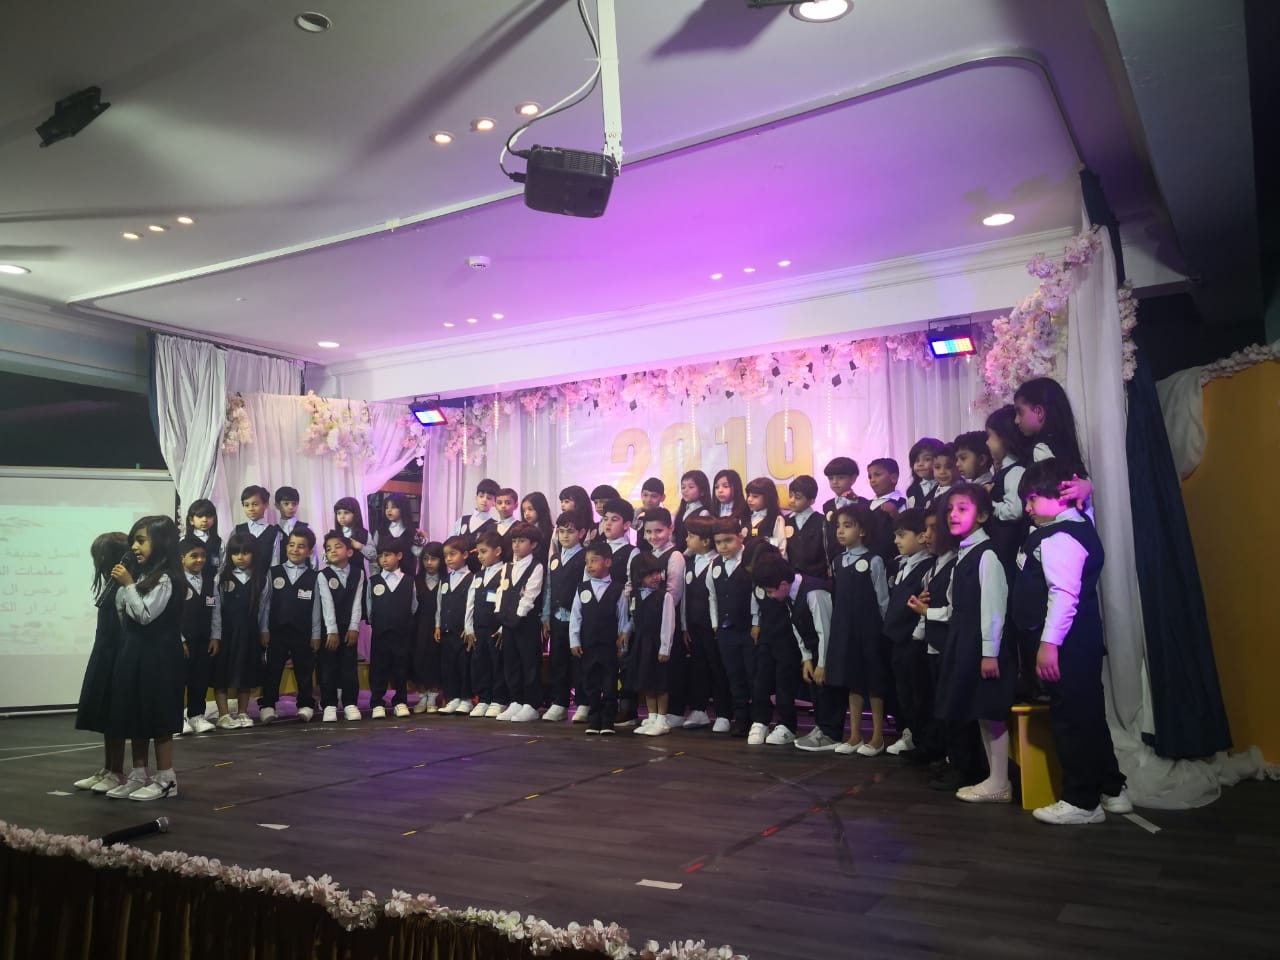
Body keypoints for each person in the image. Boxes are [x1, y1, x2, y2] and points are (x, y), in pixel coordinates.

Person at [1014, 460, 1130, 824]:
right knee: (1089, 715)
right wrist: (1088, 492)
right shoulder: (1080, 523)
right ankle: (1112, 789)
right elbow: (1084, 509)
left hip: (1067, 643)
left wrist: (1048, 645)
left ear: (1060, 496)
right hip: (1083, 640)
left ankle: (1082, 801)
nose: (1027, 508)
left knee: (1071, 720)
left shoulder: (1058, 537)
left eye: (1032, 499)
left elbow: (1063, 595)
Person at [934, 484, 1015, 804]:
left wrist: (989, 653)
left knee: (991, 711)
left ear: (982, 515)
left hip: (983, 646)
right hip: (965, 641)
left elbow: (994, 608)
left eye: (962, 509)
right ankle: (994, 778)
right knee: (980, 711)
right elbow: (956, 605)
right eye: (950, 509)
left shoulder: (987, 555)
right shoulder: (964, 553)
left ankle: (1000, 781)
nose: (953, 515)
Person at [103, 515, 185, 801]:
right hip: (136, 651)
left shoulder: (166, 578)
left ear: (161, 542)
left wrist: (128, 585)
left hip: (160, 656)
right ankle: (139, 774)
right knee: (136, 713)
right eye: (133, 541)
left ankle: (167, 778)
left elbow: (145, 615)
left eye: (141, 541)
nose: (135, 547)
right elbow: (123, 614)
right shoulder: (141, 576)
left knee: (158, 714)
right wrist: (126, 586)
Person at [819, 504, 889, 756]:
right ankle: (855, 734)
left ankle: (878, 736)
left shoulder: (874, 560)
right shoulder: (838, 561)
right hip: (845, 628)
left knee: (874, 682)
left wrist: (884, 630)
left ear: (862, 530)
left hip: (869, 629)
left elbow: (882, 599)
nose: (840, 531)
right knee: (852, 682)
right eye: (838, 526)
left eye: (847, 526)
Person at [750, 550, 831, 747]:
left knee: (826, 691)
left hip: (827, 650)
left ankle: (830, 733)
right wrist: (806, 658)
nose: (769, 596)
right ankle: (822, 727)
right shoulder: (789, 596)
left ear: (784, 585)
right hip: (811, 650)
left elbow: (825, 630)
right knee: (815, 690)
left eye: (770, 591)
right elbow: (796, 626)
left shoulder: (813, 592)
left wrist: (822, 664)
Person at [72, 531, 130, 793]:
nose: (95, 560)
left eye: (99, 555)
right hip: (105, 651)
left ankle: (117, 771)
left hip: (119, 654)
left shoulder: (125, 586)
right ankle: (108, 768)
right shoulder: (109, 584)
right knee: (106, 714)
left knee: (116, 714)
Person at [258, 527, 322, 724]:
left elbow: (316, 608)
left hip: (303, 632)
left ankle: (306, 704)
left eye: (301, 546)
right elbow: (266, 603)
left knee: (304, 668)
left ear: (309, 551)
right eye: (291, 545)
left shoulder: (314, 576)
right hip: (277, 631)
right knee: (272, 669)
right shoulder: (274, 572)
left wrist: (316, 634)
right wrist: (264, 629)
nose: (295, 549)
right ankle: (268, 705)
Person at [883, 509, 933, 756]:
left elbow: (926, 605)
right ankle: (910, 732)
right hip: (898, 639)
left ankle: (923, 741)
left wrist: (916, 635)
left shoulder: (928, 566)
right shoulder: (902, 564)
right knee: (903, 692)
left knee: (919, 693)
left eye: (902, 535)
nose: (896, 540)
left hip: (914, 641)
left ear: (922, 536)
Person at [570, 540, 629, 735]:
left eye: (594, 560)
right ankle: (594, 720)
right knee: (590, 683)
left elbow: (623, 618)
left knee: (610, 684)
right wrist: (574, 641)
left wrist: (622, 646)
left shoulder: (618, 590)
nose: (589, 565)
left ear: (608, 562)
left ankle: (608, 721)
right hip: (588, 645)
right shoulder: (582, 588)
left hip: (609, 646)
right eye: (587, 562)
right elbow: (576, 617)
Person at [211, 531, 266, 729]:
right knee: (222, 673)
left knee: (246, 671)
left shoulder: (261, 578)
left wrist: (264, 630)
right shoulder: (222, 577)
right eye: (235, 553)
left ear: (254, 554)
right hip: (226, 633)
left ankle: (243, 711)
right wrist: (215, 635)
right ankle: (224, 714)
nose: (240, 557)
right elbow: (216, 609)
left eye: (245, 553)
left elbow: (264, 607)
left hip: (249, 632)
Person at [707, 517, 756, 737]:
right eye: (718, 542)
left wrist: (756, 622)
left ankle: (759, 720)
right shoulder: (715, 564)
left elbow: (757, 594)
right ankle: (741, 719)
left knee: (753, 675)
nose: (723, 546)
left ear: (740, 537)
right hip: (726, 631)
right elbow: (712, 596)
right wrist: (715, 624)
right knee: (734, 676)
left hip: (748, 629)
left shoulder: (750, 561)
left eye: (728, 540)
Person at [641, 508, 688, 729]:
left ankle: (675, 711)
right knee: (654, 670)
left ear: (670, 529)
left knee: (671, 666)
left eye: (658, 531)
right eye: (648, 532)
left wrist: (657, 609)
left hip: (668, 619)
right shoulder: (648, 555)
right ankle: (657, 714)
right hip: (649, 621)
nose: (653, 536)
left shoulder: (675, 556)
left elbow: (674, 592)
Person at [496, 521, 546, 722]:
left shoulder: (536, 566)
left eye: (522, 541)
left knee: (529, 663)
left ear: (533, 544)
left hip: (526, 622)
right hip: (508, 622)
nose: (516, 545)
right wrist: (500, 614)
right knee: (511, 662)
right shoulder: (507, 567)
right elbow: (501, 591)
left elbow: (530, 595)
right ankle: (516, 700)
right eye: (514, 541)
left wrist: (517, 616)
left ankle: (531, 704)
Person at [542, 511, 589, 722]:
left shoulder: (585, 557)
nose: (565, 536)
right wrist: (545, 616)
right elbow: (549, 588)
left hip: (578, 618)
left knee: (579, 660)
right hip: (557, 617)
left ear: (581, 532)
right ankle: (559, 702)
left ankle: (584, 702)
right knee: (557, 659)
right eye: (561, 531)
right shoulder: (554, 558)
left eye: (570, 531)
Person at [317, 531, 365, 721]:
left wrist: (354, 627)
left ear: (349, 552)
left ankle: (350, 703)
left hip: (349, 628)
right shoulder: (323, 575)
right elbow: (327, 604)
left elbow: (357, 602)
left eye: (338, 546)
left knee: (349, 666)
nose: (333, 551)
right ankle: (329, 704)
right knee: (328, 666)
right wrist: (332, 631)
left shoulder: (358, 573)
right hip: (330, 629)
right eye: (329, 549)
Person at [681, 515, 724, 731]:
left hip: (712, 627)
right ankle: (699, 709)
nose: (686, 539)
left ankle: (724, 712)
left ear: (706, 541)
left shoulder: (717, 563)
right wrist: (684, 626)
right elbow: (684, 598)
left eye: (691, 536)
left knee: (717, 667)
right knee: (697, 667)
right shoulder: (689, 564)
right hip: (694, 626)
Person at [627, 552, 676, 736]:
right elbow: (633, 618)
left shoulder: (665, 597)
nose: (656, 577)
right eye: (650, 574)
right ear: (639, 576)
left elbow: (668, 624)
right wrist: (625, 633)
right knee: (646, 681)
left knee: (660, 682)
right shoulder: (634, 595)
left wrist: (665, 648)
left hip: (657, 644)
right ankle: (652, 716)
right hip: (642, 643)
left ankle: (662, 719)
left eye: (657, 573)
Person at [367, 538, 417, 718]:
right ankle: (377, 702)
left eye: (387, 555)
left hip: (402, 633)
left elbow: (414, 606)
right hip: (380, 633)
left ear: (399, 556)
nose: (383, 559)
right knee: (379, 667)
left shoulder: (409, 581)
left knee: (401, 667)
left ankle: (400, 701)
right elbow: (369, 608)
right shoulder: (374, 581)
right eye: (380, 556)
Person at [177, 537, 218, 735]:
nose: (200, 560)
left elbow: (216, 612)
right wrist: (180, 639)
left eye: (203, 556)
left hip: (204, 640)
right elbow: (171, 614)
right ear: (181, 558)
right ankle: (177, 717)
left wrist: (216, 636)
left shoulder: (211, 582)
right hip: (183, 641)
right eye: (194, 556)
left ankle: (197, 715)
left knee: (200, 679)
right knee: (179, 679)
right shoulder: (176, 582)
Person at [464, 531, 507, 718]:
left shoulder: (505, 572)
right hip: (479, 627)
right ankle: (484, 698)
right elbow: (470, 602)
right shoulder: (478, 575)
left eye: (484, 551)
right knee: (480, 663)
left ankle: (499, 699)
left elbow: (507, 601)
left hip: (495, 628)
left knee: (497, 664)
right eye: (478, 552)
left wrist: (503, 626)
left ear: (497, 551)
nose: (480, 556)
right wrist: (468, 626)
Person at [984, 404, 1030, 574]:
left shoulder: (1015, 471)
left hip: (1008, 546)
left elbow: (1014, 510)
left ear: (1005, 438)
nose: (987, 442)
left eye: (990, 436)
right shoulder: (1004, 470)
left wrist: (989, 503)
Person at [435, 536, 475, 715]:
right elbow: (439, 604)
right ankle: (453, 697)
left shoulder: (472, 578)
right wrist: (437, 625)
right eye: (445, 556)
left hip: (462, 631)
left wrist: (469, 627)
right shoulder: (444, 580)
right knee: (448, 665)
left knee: (464, 665)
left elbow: (472, 606)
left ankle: (466, 699)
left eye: (453, 554)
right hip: (446, 630)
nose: (448, 559)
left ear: (465, 555)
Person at [411, 541, 444, 714]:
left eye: (433, 559)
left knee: (436, 658)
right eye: (425, 559)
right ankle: (422, 694)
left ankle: (433, 694)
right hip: (419, 625)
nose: (429, 563)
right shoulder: (415, 581)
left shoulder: (446, 580)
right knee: (419, 658)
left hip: (439, 626)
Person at [821, 457, 865, 571]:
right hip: (835, 557)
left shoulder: (863, 503)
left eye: (840, 477)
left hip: (860, 558)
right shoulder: (827, 505)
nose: (835, 482)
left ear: (853, 478)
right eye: (831, 478)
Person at [784, 475, 828, 580]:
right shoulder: (784, 521)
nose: (792, 500)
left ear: (811, 501)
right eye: (790, 496)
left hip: (816, 579)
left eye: (797, 497)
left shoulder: (822, 521)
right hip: (790, 579)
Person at [374, 494, 425, 577]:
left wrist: (423, 540)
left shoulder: (412, 531)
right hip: (385, 577)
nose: (389, 510)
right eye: (386, 507)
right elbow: (375, 555)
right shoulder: (380, 531)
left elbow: (418, 553)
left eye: (393, 507)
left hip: (407, 576)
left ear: (403, 508)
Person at [234, 484, 279, 573]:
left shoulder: (273, 532)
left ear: (266, 504)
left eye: (255, 504)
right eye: (246, 505)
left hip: (264, 579)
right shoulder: (237, 530)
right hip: (241, 578)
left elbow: (275, 562)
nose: (251, 509)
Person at [272, 485, 314, 566]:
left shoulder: (306, 528)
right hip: (281, 573)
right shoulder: (273, 531)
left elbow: (313, 557)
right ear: (277, 505)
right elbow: (274, 558)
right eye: (286, 504)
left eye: (294, 504)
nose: (291, 507)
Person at [672, 470, 713, 553]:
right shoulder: (682, 510)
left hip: (691, 556)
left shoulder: (703, 513)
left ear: (702, 491)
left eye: (691, 487)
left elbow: (698, 541)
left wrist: (684, 556)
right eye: (683, 487)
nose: (685, 490)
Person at [744, 477, 787, 556]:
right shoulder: (745, 518)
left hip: (767, 561)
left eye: (755, 496)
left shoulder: (776, 519)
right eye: (748, 495)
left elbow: (780, 544)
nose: (749, 499)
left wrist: (767, 541)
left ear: (768, 497)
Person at [333, 496, 376, 573]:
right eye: (338, 513)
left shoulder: (364, 534)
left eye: (346, 513)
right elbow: (325, 558)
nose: (342, 517)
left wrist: (361, 547)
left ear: (355, 514)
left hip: (358, 574)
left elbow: (373, 555)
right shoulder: (334, 534)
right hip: (337, 574)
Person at [904, 438, 943, 510]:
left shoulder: (944, 488)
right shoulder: (912, 490)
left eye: (927, 459)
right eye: (916, 460)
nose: (920, 464)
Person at [631, 477, 666, 555]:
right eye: (645, 495)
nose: (648, 500)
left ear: (662, 497)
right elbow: (630, 523)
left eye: (654, 496)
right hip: (642, 558)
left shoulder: (664, 518)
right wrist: (640, 509)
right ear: (641, 495)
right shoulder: (642, 519)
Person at [185, 499, 222, 570]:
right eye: (200, 516)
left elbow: (221, 564)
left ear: (214, 519)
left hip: (213, 576)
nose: (204, 520)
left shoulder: (219, 542)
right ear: (191, 520)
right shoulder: (185, 540)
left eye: (209, 516)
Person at [520, 492, 555, 564]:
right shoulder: (521, 531)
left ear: (540, 509)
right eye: (524, 511)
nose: (526, 513)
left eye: (530, 509)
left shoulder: (550, 533)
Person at [922, 445, 957, 513]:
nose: (942, 472)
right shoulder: (933, 491)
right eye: (937, 467)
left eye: (949, 467)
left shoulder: (961, 492)